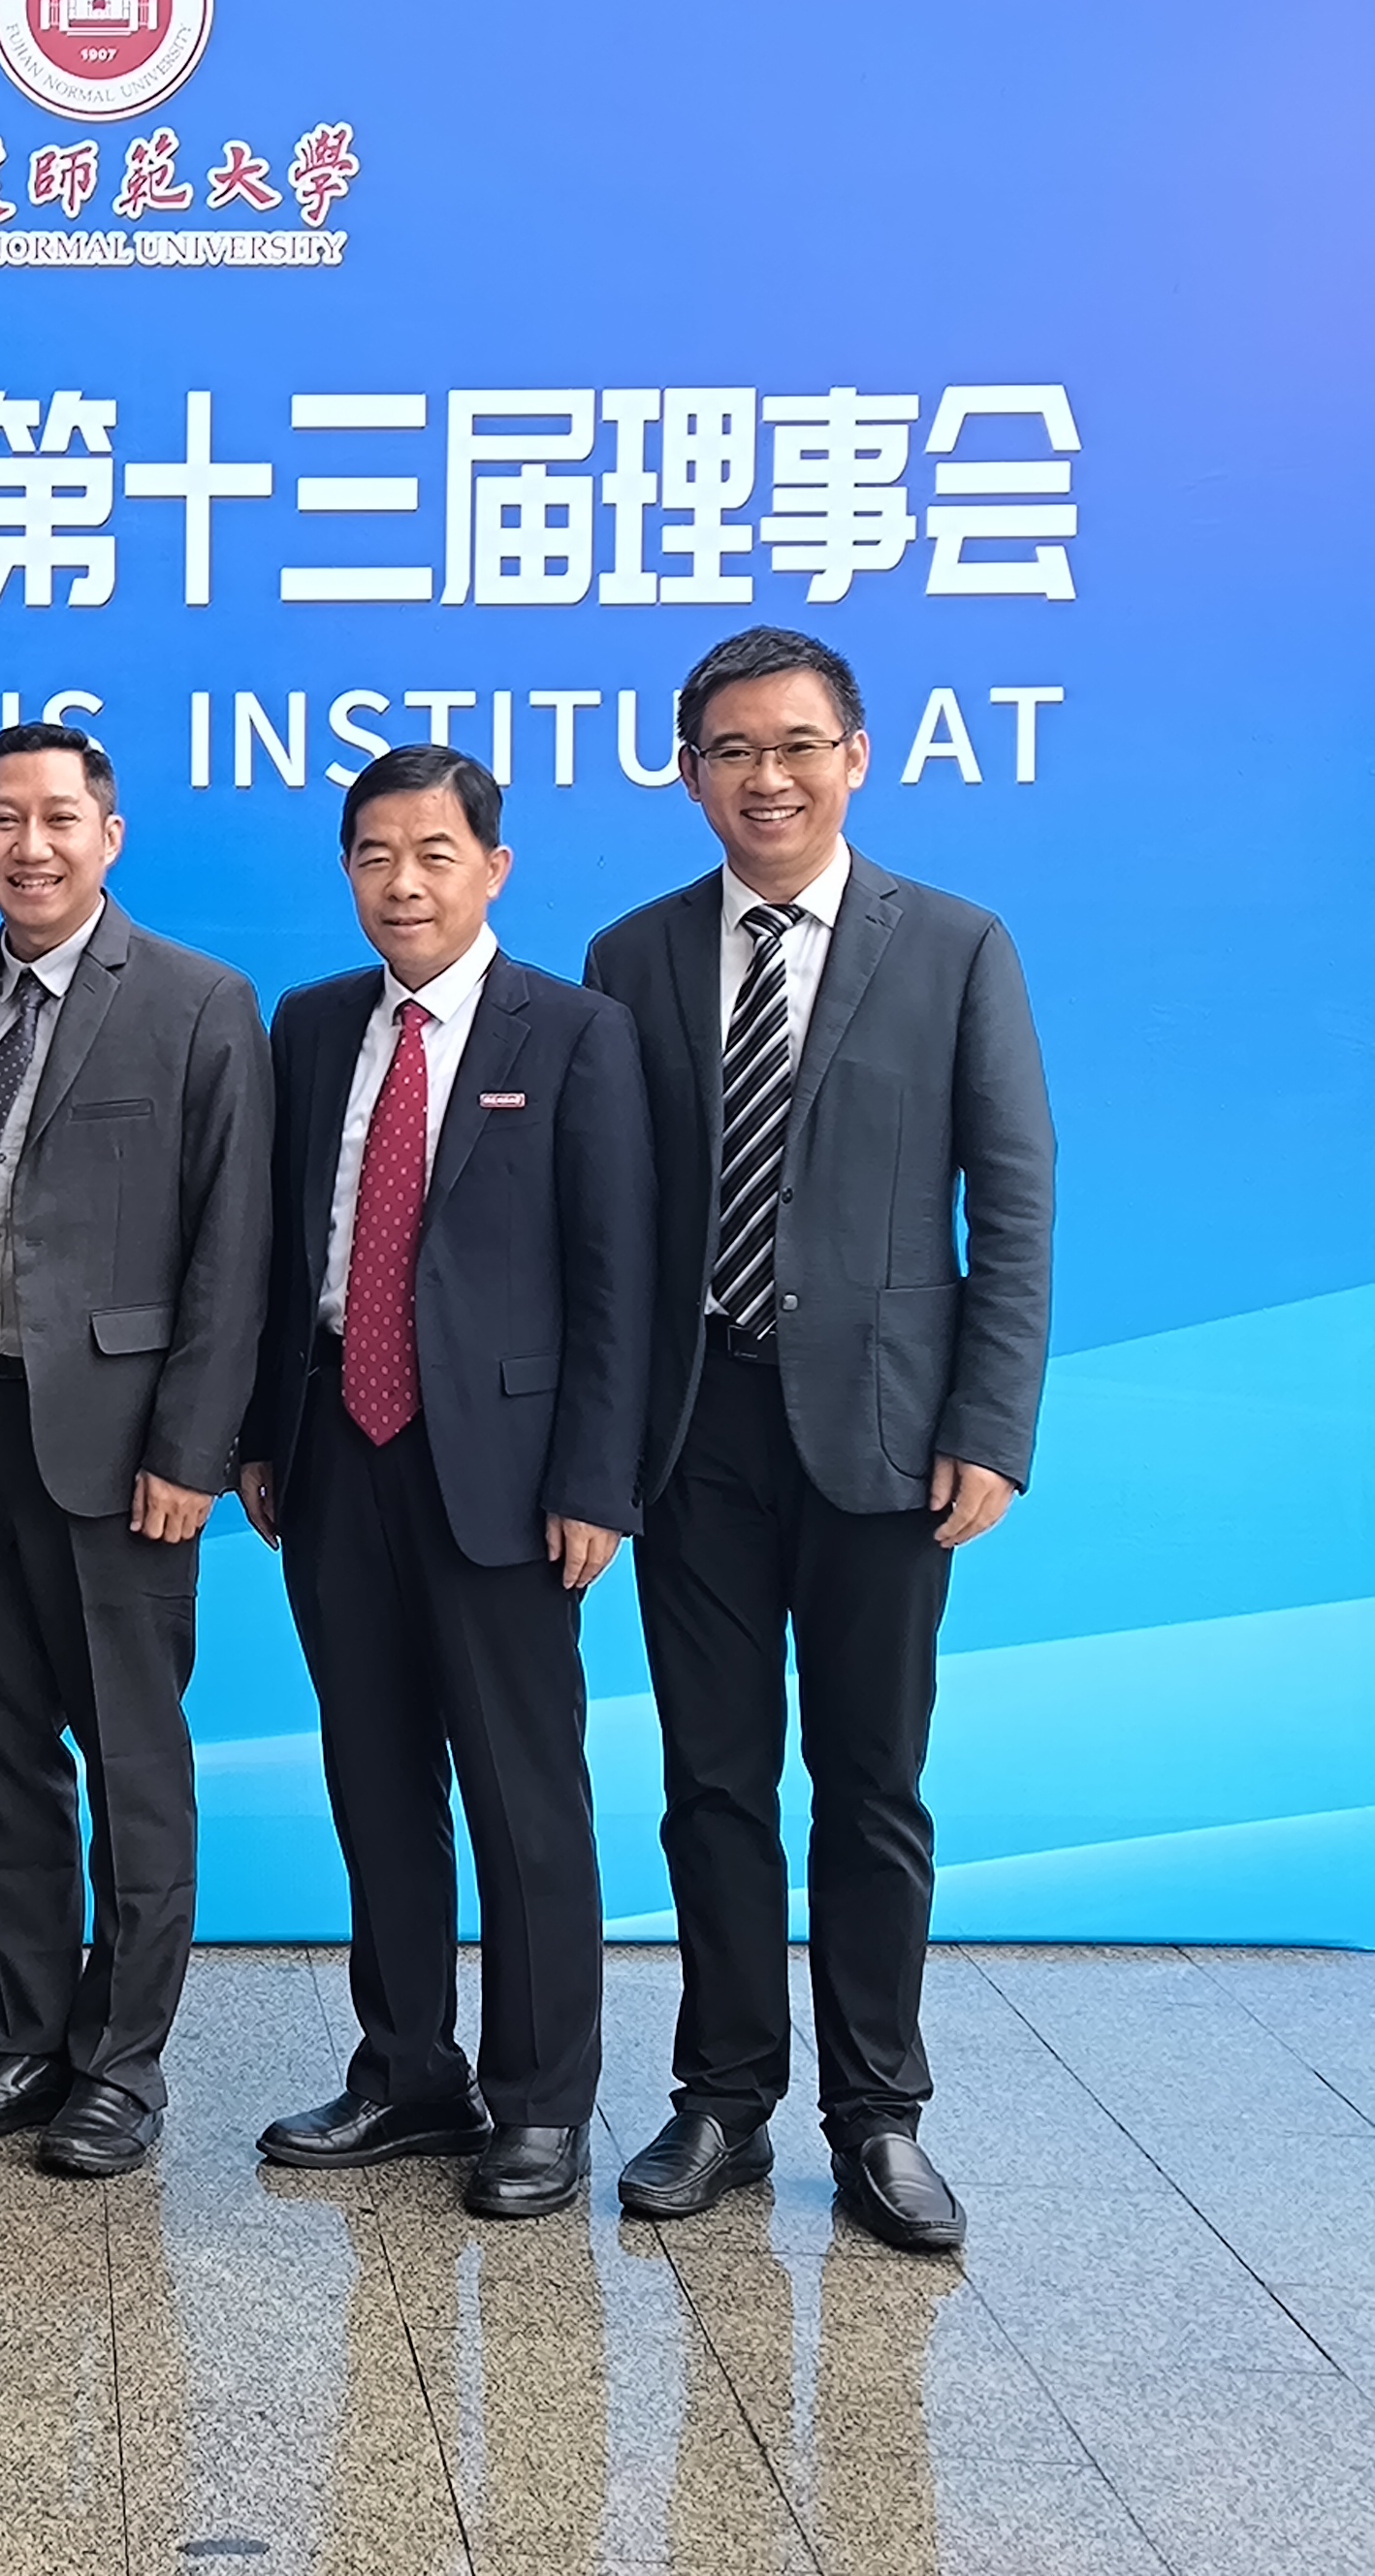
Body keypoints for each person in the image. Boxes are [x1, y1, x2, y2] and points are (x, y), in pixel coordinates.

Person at [586, 629, 1051, 2254]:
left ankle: (879, 2118)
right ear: (689, 773)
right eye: (732, 749)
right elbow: (608, 1219)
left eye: (796, 745)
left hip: (887, 1433)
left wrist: (990, 1423)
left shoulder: (957, 945)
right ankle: (722, 2096)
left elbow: (1015, 1201)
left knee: (870, 1783)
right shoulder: (634, 953)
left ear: (856, 757)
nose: (766, 777)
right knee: (710, 1780)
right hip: (693, 1426)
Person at [237, 746, 656, 2219]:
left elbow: (618, 1274)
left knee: (525, 1795)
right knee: (376, 1778)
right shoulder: (311, 1025)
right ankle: (409, 2069)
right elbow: (282, 1252)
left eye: (433, 854)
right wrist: (259, 1436)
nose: (402, 883)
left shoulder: (576, 1031)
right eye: (373, 855)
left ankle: (540, 2103)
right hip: (335, 1451)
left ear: (494, 867)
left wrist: (596, 1479)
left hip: (508, 1473)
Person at [0, 720, 270, 2176]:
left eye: (59, 818)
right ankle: (26, 2043)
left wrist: (192, 1451)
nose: (30, 846)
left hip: (121, 1456)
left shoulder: (195, 1000)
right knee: (2, 1759)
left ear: (109, 836)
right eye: (4, 819)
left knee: (132, 1763)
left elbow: (232, 1247)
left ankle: (123, 2066)